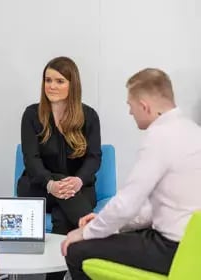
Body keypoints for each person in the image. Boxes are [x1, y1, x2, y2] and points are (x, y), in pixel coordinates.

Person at [62, 68, 201, 279]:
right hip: (192, 248)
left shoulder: (159, 137)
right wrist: (104, 222)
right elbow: (154, 208)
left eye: (130, 106)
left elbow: (127, 204)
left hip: (171, 249)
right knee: (118, 233)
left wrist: (83, 233)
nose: (130, 112)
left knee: (75, 250)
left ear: (144, 106)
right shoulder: (193, 131)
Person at [17, 56, 102, 235]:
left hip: (79, 187)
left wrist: (78, 181)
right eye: (48, 80)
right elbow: (31, 159)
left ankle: (59, 260)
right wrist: (50, 184)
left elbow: (94, 158)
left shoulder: (89, 116)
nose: (52, 86)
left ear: (73, 85)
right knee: (58, 182)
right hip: (39, 187)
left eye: (59, 81)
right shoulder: (31, 115)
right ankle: (97, 233)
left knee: (62, 215)